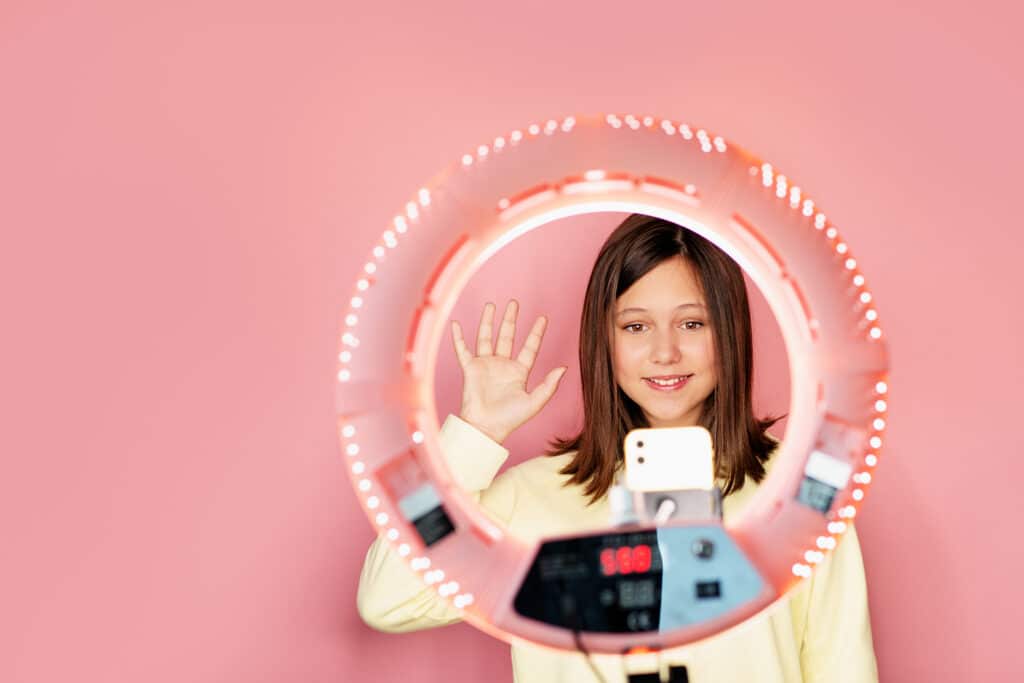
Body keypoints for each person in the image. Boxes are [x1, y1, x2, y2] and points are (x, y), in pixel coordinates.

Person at [357, 214, 878, 682]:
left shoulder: (800, 494)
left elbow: (842, 667)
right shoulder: (533, 496)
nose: (665, 351)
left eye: (693, 323)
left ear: (731, 332)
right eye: (635, 326)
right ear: (603, 341)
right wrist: (474, 435)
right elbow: (388, 599)